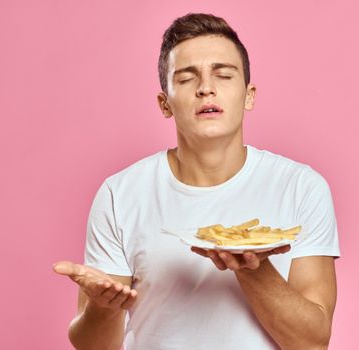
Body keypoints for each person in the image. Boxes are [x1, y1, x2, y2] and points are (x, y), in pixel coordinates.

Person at [53, 13, 340, 350]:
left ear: (249, 95)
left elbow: (312, 341)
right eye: (187, 78)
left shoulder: (302, 188)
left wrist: (252, 269)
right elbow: (93, 346)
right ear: (165, 103)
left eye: (223, 74)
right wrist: (102, 309)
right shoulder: (120, 194)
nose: (206, 88)